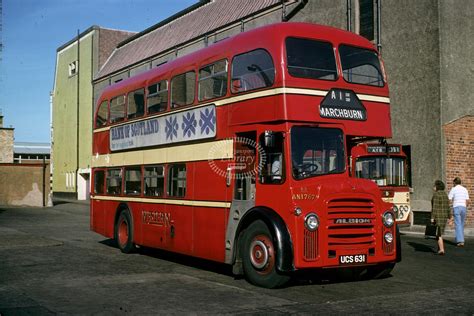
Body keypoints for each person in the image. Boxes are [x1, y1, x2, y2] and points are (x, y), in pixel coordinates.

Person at [431, 180, 451, 255]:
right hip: (444, 216)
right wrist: (450, 216)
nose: (433, 187)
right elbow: (448, 206)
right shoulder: (445, 195)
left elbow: (434, 207)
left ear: (437, 186)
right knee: (440, 232)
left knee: (438, 233)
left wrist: (432, 217)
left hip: (438, 216)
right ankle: (439, 248)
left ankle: (442, 250)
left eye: (434, 185)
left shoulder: (436, 194)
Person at [448, 177, 470, 247]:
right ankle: (461, 239)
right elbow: (467, 201)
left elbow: (449, 199)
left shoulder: (453, 189)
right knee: (461, 224)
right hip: (463, 207)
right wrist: (465, 207)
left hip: (456, 207)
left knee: (457, 224)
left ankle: (460, 241)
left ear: (454, 182)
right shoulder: (465, 189)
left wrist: (450, 207)